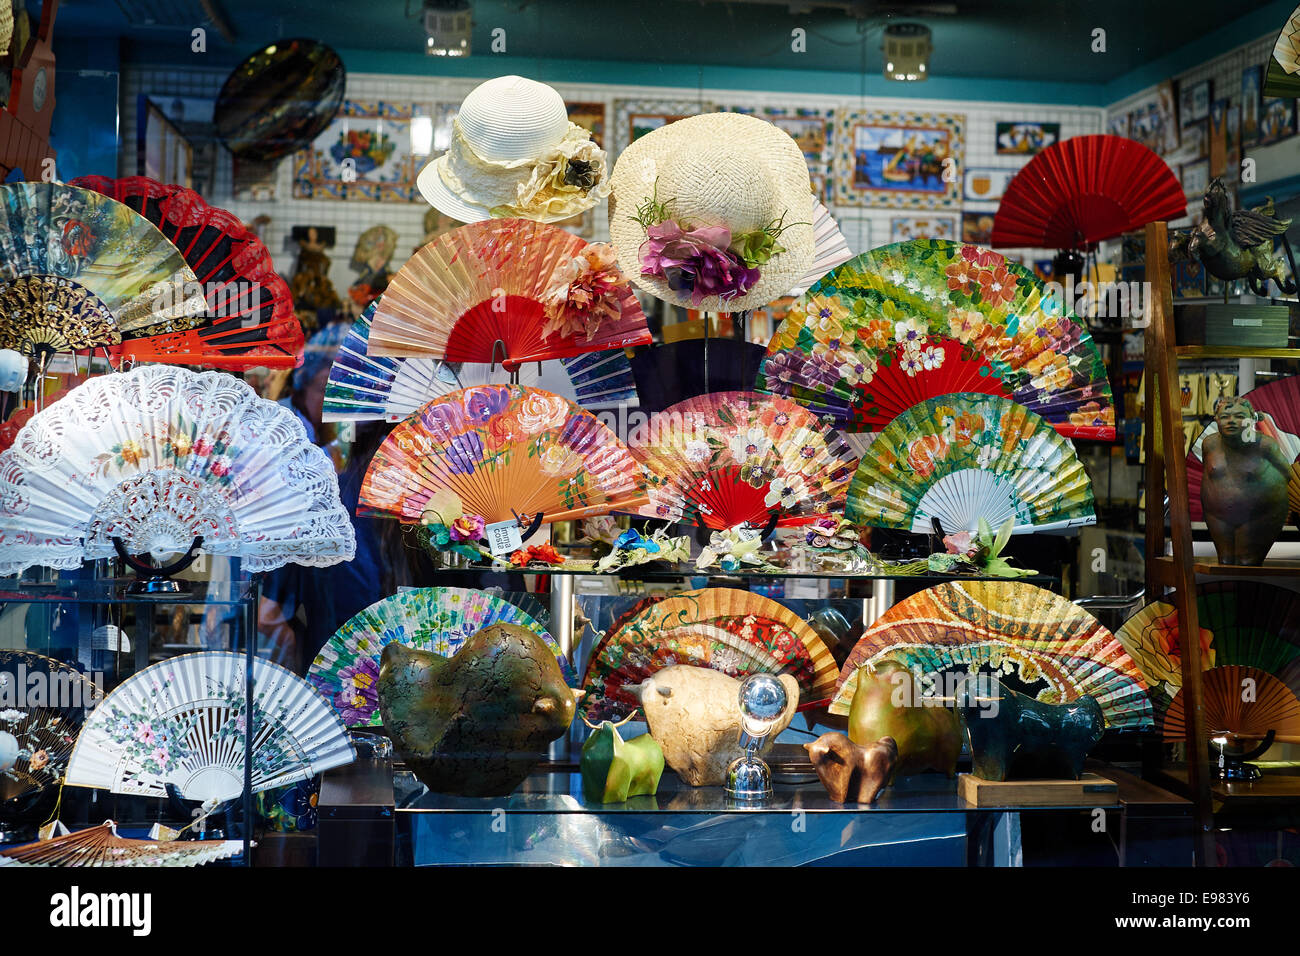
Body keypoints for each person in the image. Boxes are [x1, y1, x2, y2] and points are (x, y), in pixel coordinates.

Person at [1199, 396, 1292, 566]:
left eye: (1240, 417)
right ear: (1216, 420)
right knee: (1225, 562)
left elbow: (1288, 474)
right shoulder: (1209, 444)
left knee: (1247, 562)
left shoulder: (1265, 445)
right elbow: (1208, 476)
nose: (1232, 422)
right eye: (1226, 417)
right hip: (1218, 516)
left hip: (1259, 516)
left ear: (1251, 419)